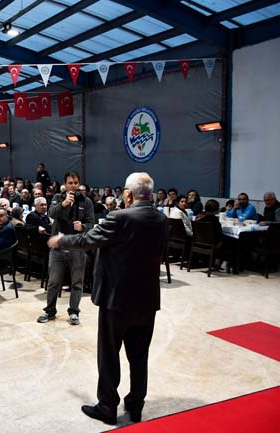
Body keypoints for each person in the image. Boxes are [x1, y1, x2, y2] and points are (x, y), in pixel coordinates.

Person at [47, 172, 168, 426]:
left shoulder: (119, 217)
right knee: (139, 356)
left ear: (128, 194)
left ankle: (107, 406)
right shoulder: (161, 218)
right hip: (147, 299)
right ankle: (135, 405)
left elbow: (87, 240)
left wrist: (61, 240)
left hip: (117, 299)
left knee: (109, 355)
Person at [38, 171, 95, 326]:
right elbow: (51, 213)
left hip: (77, 248)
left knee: (77, 283)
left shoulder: (86, 201)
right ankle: (50, 311)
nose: (73, 186)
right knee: (53, 282)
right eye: (70, 183)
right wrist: (63, 204)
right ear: (65, 184)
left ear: (79, 183)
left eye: (76, 183)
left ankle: (74, 312)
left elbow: (91, 223)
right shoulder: (58, 198)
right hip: (58, 248)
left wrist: (83, 226)